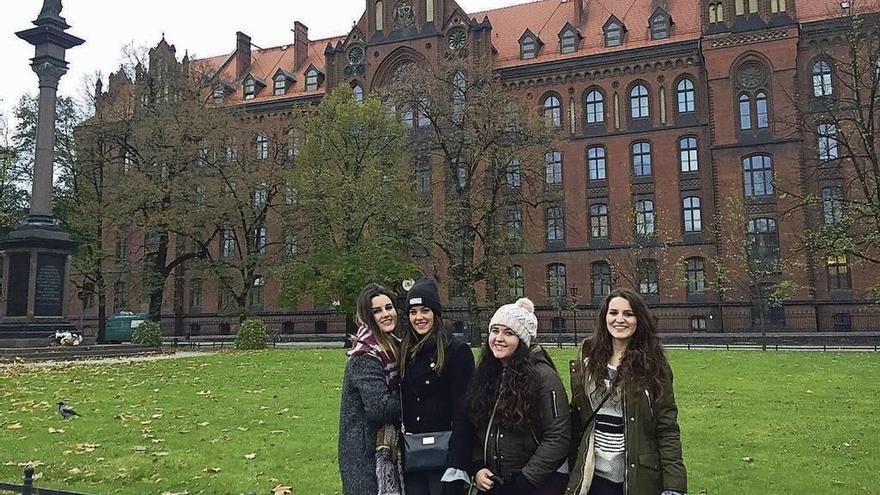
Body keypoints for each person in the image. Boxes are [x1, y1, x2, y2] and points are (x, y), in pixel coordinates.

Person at [567, 288, 687, 495]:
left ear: (638, 319)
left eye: (628, 314)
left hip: (634, 478)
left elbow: (666, 427)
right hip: (592, 475)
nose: (619, 319)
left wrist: (674, 486)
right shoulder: (588, 357)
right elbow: (577, 414)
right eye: (613, 313)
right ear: (605, 317)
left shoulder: (653, 365)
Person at [467, 297, 570, 494]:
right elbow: (477, 424)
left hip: (532, 484)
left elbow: (558, 436)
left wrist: (525, 481)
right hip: (495, 482)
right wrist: (478, 466)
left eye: (508, 333)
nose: (498, 338)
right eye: (494, 331)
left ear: (522, 340)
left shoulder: (544, 377)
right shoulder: (487, 375)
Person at [400, 277, 476, 495]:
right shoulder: (405, 351)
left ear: (435, 313)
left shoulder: (456, 351)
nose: (419, 317)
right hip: (414, 455)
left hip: (445, 455)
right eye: (413, 312)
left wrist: (458, 462)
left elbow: (464, 409)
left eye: (425, 310)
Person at [338, 283, 406, 495]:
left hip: (386, 446)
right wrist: (419, 404)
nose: (386, 314)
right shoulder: (365, 356)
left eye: (389, 307)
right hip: (366, 454)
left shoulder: (394, 345)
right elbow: (380, 408)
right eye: (377, 311)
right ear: (367, 317)